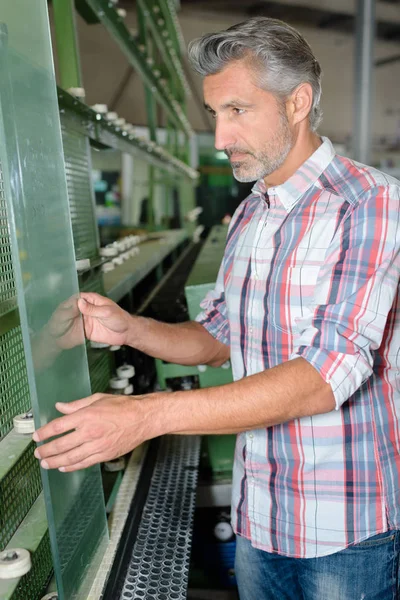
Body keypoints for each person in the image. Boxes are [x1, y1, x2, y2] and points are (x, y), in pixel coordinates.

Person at [33, 17, 400, 599]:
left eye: (238, 110)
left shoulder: (368, 203)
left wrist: (146, 416)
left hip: (344, 528)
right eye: (214, 114)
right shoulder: (253, 211)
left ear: (297, 102)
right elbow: (219, 336)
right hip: (260, 514)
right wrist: (130, 328)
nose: (221, 137)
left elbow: (326, 377)